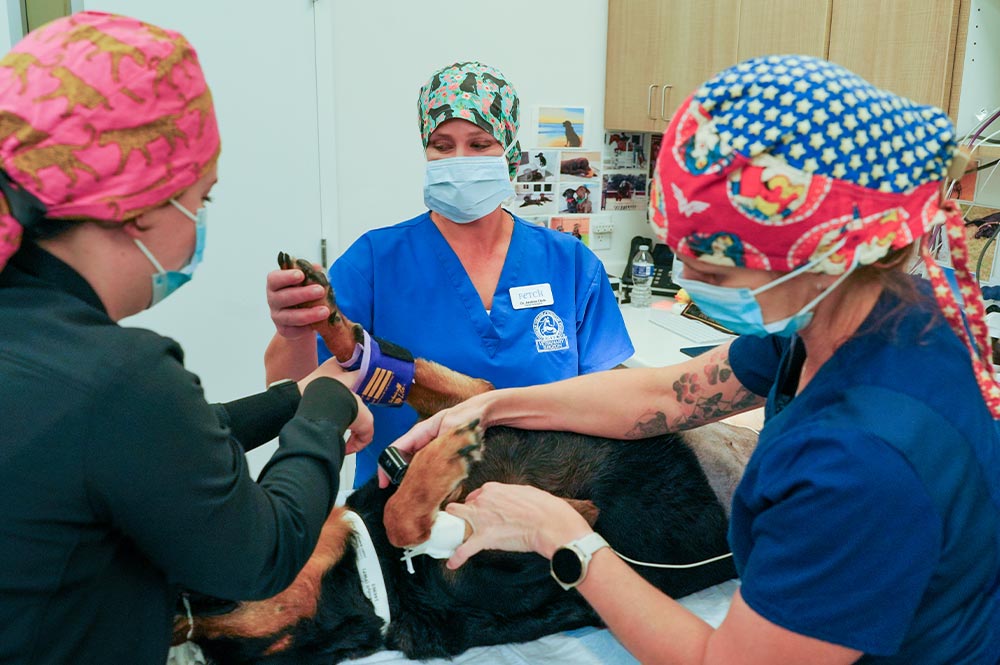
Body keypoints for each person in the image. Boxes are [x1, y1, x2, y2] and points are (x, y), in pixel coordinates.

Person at [386, 55, 1000, 664]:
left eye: (712, 271)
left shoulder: (861, 459)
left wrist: (565, 539)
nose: (683, 278)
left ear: (820, 256)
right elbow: (662, 397)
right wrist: (495, 403)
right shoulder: (858, 315)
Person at [0, 12, 373, 665]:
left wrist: (292, 397)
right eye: (201, 199)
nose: (199, 223)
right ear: (144, 202)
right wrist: (328, 410)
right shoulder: (120, 374)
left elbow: (139, 449)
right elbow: (261, 555)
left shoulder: (36, 342)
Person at [265, 61, 633, 486]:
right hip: (407, 510)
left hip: (544, 513)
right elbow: (289, 390)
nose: (460, 161)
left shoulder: (568, 263)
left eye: (479, 144)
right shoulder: (376, 260)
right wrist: (293, 331)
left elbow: (606, 399)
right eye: (442, 145)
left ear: (510, 153)